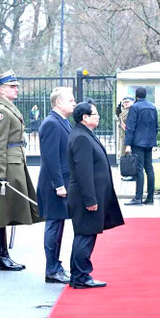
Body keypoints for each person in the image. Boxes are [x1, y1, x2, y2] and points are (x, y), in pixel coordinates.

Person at [0, 70, 42, 271]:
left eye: (16, 86)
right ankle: (0, 256)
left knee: (4, 213)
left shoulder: (8, 108)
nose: (16, 89)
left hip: (14, 164)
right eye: (12, 86)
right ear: (1, 89)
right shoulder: (1, 112)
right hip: (6, 168)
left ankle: (4, 255)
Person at [68, 101, 125, 288]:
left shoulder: (84, 134)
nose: (98, 116)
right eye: (95, 114)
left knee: (87, 234)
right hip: (86, 197)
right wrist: (90, 199)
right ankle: (81, 276)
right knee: (85, 234)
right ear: (85, 117)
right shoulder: (81, 137)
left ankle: (79, 274)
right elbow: (84, 172)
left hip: (91, 195)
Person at [37, 87, 76, 284]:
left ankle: (55, 266)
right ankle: (51, 269)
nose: (74, 103)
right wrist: (59, 185)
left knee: (58, 225)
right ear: (58, 103)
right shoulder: (51, 123)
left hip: (61, 182)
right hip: (54, 185)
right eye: (70, 100)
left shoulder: (62, 122)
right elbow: (51, 158)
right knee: (54, 224)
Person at [124, 87, 159, 206]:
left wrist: (127, 144)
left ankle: (138, 197)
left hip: (138, 142)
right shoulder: (152, 107)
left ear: (136, 95)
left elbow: (130, 127)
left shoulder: (134, 107)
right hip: (149, 141)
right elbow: (156, 126)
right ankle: (150, 198)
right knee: (149, 169)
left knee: (139, 169)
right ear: (145, 95)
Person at [115, 96, 134, 175]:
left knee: (130, 156)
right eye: (124, 102)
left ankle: (130, 172)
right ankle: (125, 172)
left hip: (129, 136)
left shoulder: (132, 111)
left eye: (127, 102)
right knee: (123, 156)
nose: (125, 103)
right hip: (122, 136)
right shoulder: (122, 111)